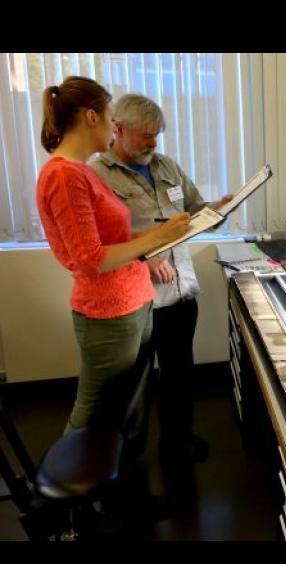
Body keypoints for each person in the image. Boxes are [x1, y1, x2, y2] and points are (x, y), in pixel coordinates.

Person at [35, 76, 191, 456]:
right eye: (109, 117)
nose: (113, 125)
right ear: (92, 118)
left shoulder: (81, 170)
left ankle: (121, 489)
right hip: (108, 311)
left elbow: (113, 243)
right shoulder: (65, 175)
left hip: (134, 302)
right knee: (95, 412)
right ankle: (66, 499)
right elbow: (92, 259)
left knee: (128, 407)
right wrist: (158, 239)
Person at [90, 93, 233, 464]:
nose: (153, 143)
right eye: (145, 135)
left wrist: (218, 210)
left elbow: (193, 208)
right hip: (134, 299)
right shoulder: (97, 175)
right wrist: (146, 255)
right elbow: (99, 242)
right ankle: (127, 461)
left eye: (157, 134)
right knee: (134, 386)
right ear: (118, 129)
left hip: (180, 292)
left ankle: (178, 441)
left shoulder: (166, 165)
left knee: (179, 375)